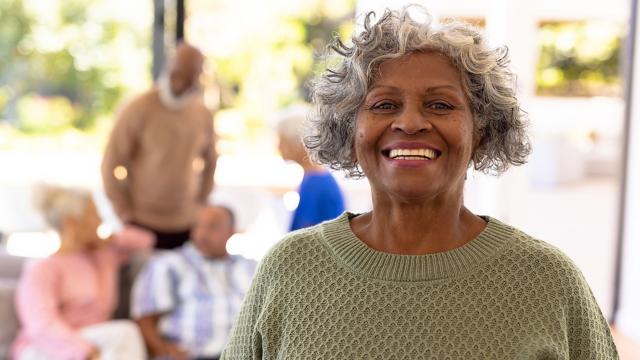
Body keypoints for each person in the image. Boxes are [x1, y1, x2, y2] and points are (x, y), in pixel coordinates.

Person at [222, 7, 619, 359]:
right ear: (350, 128)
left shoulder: (547, 282)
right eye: (384, 105)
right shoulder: (289, 270)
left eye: (440, 105)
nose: (410, 123)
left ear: (481, 129)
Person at [12, 184, 154, 360]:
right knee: (125, 333)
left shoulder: (103, 256)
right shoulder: (43, 268)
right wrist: (84, 351)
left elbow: (146, 240)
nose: (101, 221)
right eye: (93, 214)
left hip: (98, 343)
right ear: (71, 221)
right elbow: (41, 325)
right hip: (47, 348)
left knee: (123, 335)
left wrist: (110, 239)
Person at [101, 42, 217, 250]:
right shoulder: (138, 108)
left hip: (186, 224)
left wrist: (200, 204)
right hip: (141, 222)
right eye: (178, 71)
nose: (181, 80)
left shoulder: (202, 114)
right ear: (169, 66)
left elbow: (211, 162)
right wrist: (124, 213)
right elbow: (110, 165)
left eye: (190, 74)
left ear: (198, 76)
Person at [131, 205, 256, 360]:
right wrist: (163, 349)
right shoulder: (168, 265)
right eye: (197, 225)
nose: (202, 233)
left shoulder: (250, 268)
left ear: (231, 232)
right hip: (189, 355)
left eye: (213, 226)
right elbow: (145, 318)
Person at [275, 105, 345, 231]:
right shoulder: (313, 178)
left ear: (296, 141)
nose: (278, 147)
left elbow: (303, 237)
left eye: (282, 140)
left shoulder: (317, 183)